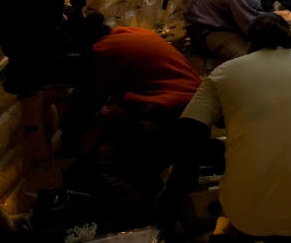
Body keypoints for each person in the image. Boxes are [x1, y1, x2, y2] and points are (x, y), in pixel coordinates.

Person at [165, 13, 291, 241]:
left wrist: (223, 158)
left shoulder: (222, 75)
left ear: (250, 45)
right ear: (290, 42)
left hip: (244, 217)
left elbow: (185, 138)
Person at [61, 13, 201, 231]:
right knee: (136, 151)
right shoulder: (132, 33)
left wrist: (71, 144)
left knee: (104, 163)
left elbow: (86, 101)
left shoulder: (102, 52)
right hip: (193, 109)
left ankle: (139, 220)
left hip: (170, 114)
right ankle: (150, 203)